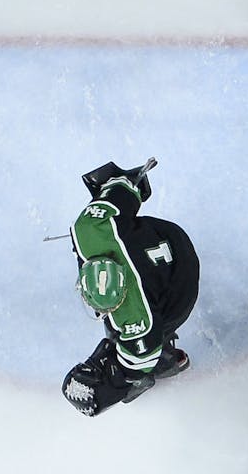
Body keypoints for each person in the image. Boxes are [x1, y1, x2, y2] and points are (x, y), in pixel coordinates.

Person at [62, 157, 200, 416]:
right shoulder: (90, 229)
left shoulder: (135, 315)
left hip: (181, 287)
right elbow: (122, 190)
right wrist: (127, 183)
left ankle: (165, 355)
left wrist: (116, 381)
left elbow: (138, 360)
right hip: (170, 237)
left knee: (133, 338)